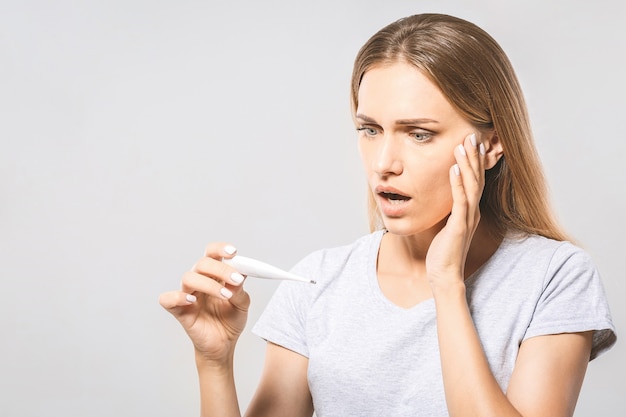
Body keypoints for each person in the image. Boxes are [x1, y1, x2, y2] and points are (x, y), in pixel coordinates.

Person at [159, 13, 616, 417]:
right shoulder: (317, 282)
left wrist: (447, 284)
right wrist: (214, 363)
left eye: (419, 134)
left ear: (491, 145)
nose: (384, 163)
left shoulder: (554, 277)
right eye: (370, 130)